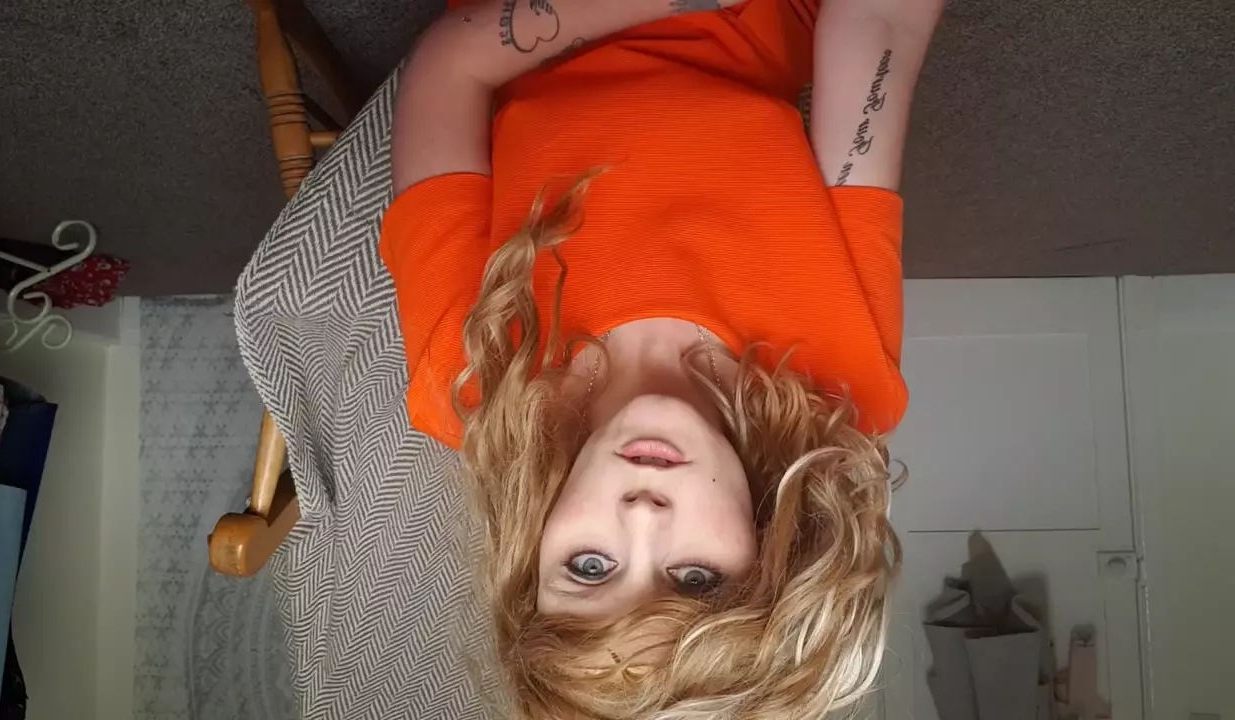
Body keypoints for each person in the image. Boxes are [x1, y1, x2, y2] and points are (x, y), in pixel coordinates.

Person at [380, 0, 942, 715]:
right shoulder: (842, 384)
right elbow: (877, 24)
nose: (643, 515)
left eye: (590, 567)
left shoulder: (468, 376)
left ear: (530, 562)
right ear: (773, 557)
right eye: (696, 578)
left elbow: (447, 72)